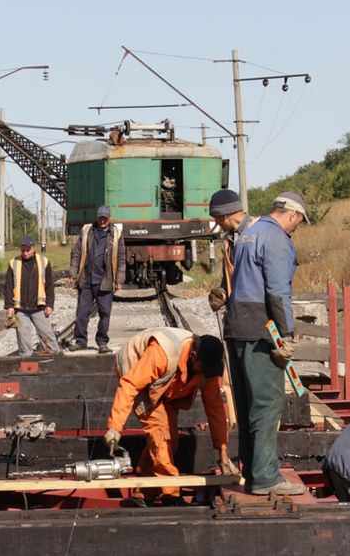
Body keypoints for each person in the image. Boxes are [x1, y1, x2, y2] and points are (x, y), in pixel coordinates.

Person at [220, 191, 309, 497]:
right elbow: (277, 290)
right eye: (298, 222)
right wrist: (286, 332)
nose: (296, 227)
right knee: (268, 402)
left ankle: (252, 469)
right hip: (261, 328)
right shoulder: (276, 238)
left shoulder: (248, 233)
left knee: (247, 403)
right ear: (293, 215)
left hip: (236, 326)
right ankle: (265, 477)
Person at [103, 329, 237, 504]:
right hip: (135, 371)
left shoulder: (207, 369)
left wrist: (223, 451)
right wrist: (115, 426)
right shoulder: (162, 353)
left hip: (166, 385)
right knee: (160, 434)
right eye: (204, 369)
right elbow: (130, 384)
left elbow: (215, 408)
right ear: (194, 356)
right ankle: (170, 494)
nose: (206, 374)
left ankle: (143, 493)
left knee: (171, 437)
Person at [68, 205, 125, 354]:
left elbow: (121, 259)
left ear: (109, 219)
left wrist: (119, 279)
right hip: (86, 279)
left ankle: (102, 342)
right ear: (97, 217)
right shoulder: (87, 231)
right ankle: (80, 341)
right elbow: (77, 253)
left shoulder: (116, 235)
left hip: (105, 280)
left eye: (105, 218)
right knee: (82, 312)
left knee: (105, 313)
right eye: (100, 218)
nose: (102, 221)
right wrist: (73, 274)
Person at [5, 236, 60, 357]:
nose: (25, 253)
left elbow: (49, 285)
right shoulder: (13, 263)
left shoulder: (43, 262)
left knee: (47, 336)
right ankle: (27, 364)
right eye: (23, 250)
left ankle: (55, 359)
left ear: (34, 249)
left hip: (39, 308)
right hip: (20, 309)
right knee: (24, 340)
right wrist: (9, 306)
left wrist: (49, 305)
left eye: (28, 250)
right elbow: (8, 286)